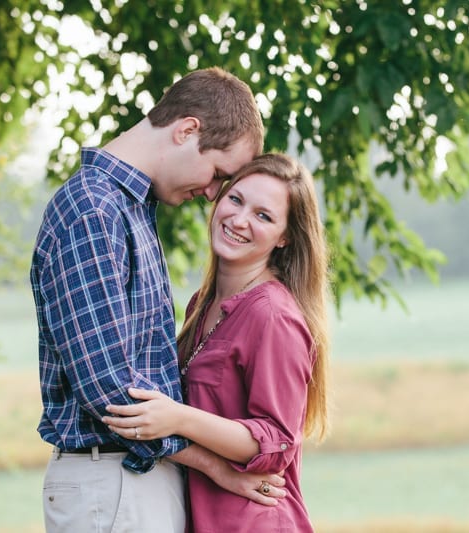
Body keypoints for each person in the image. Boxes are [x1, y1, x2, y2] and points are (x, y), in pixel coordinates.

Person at [30, 67, 286, 533]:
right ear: (187, 130)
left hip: (129, 480)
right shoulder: (93, 209)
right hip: (111, 481)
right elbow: (112, 393)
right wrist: (213, 464)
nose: (213, 194)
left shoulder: (130, 208)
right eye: (218, 175)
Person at [103, 153, 331, 532]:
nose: (239, 220)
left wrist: (178, 417)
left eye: (264, 216)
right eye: (236, 199)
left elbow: (275, 443)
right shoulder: (202, 305)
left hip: (254, 522)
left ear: (285, 237)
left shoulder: (271, 314)